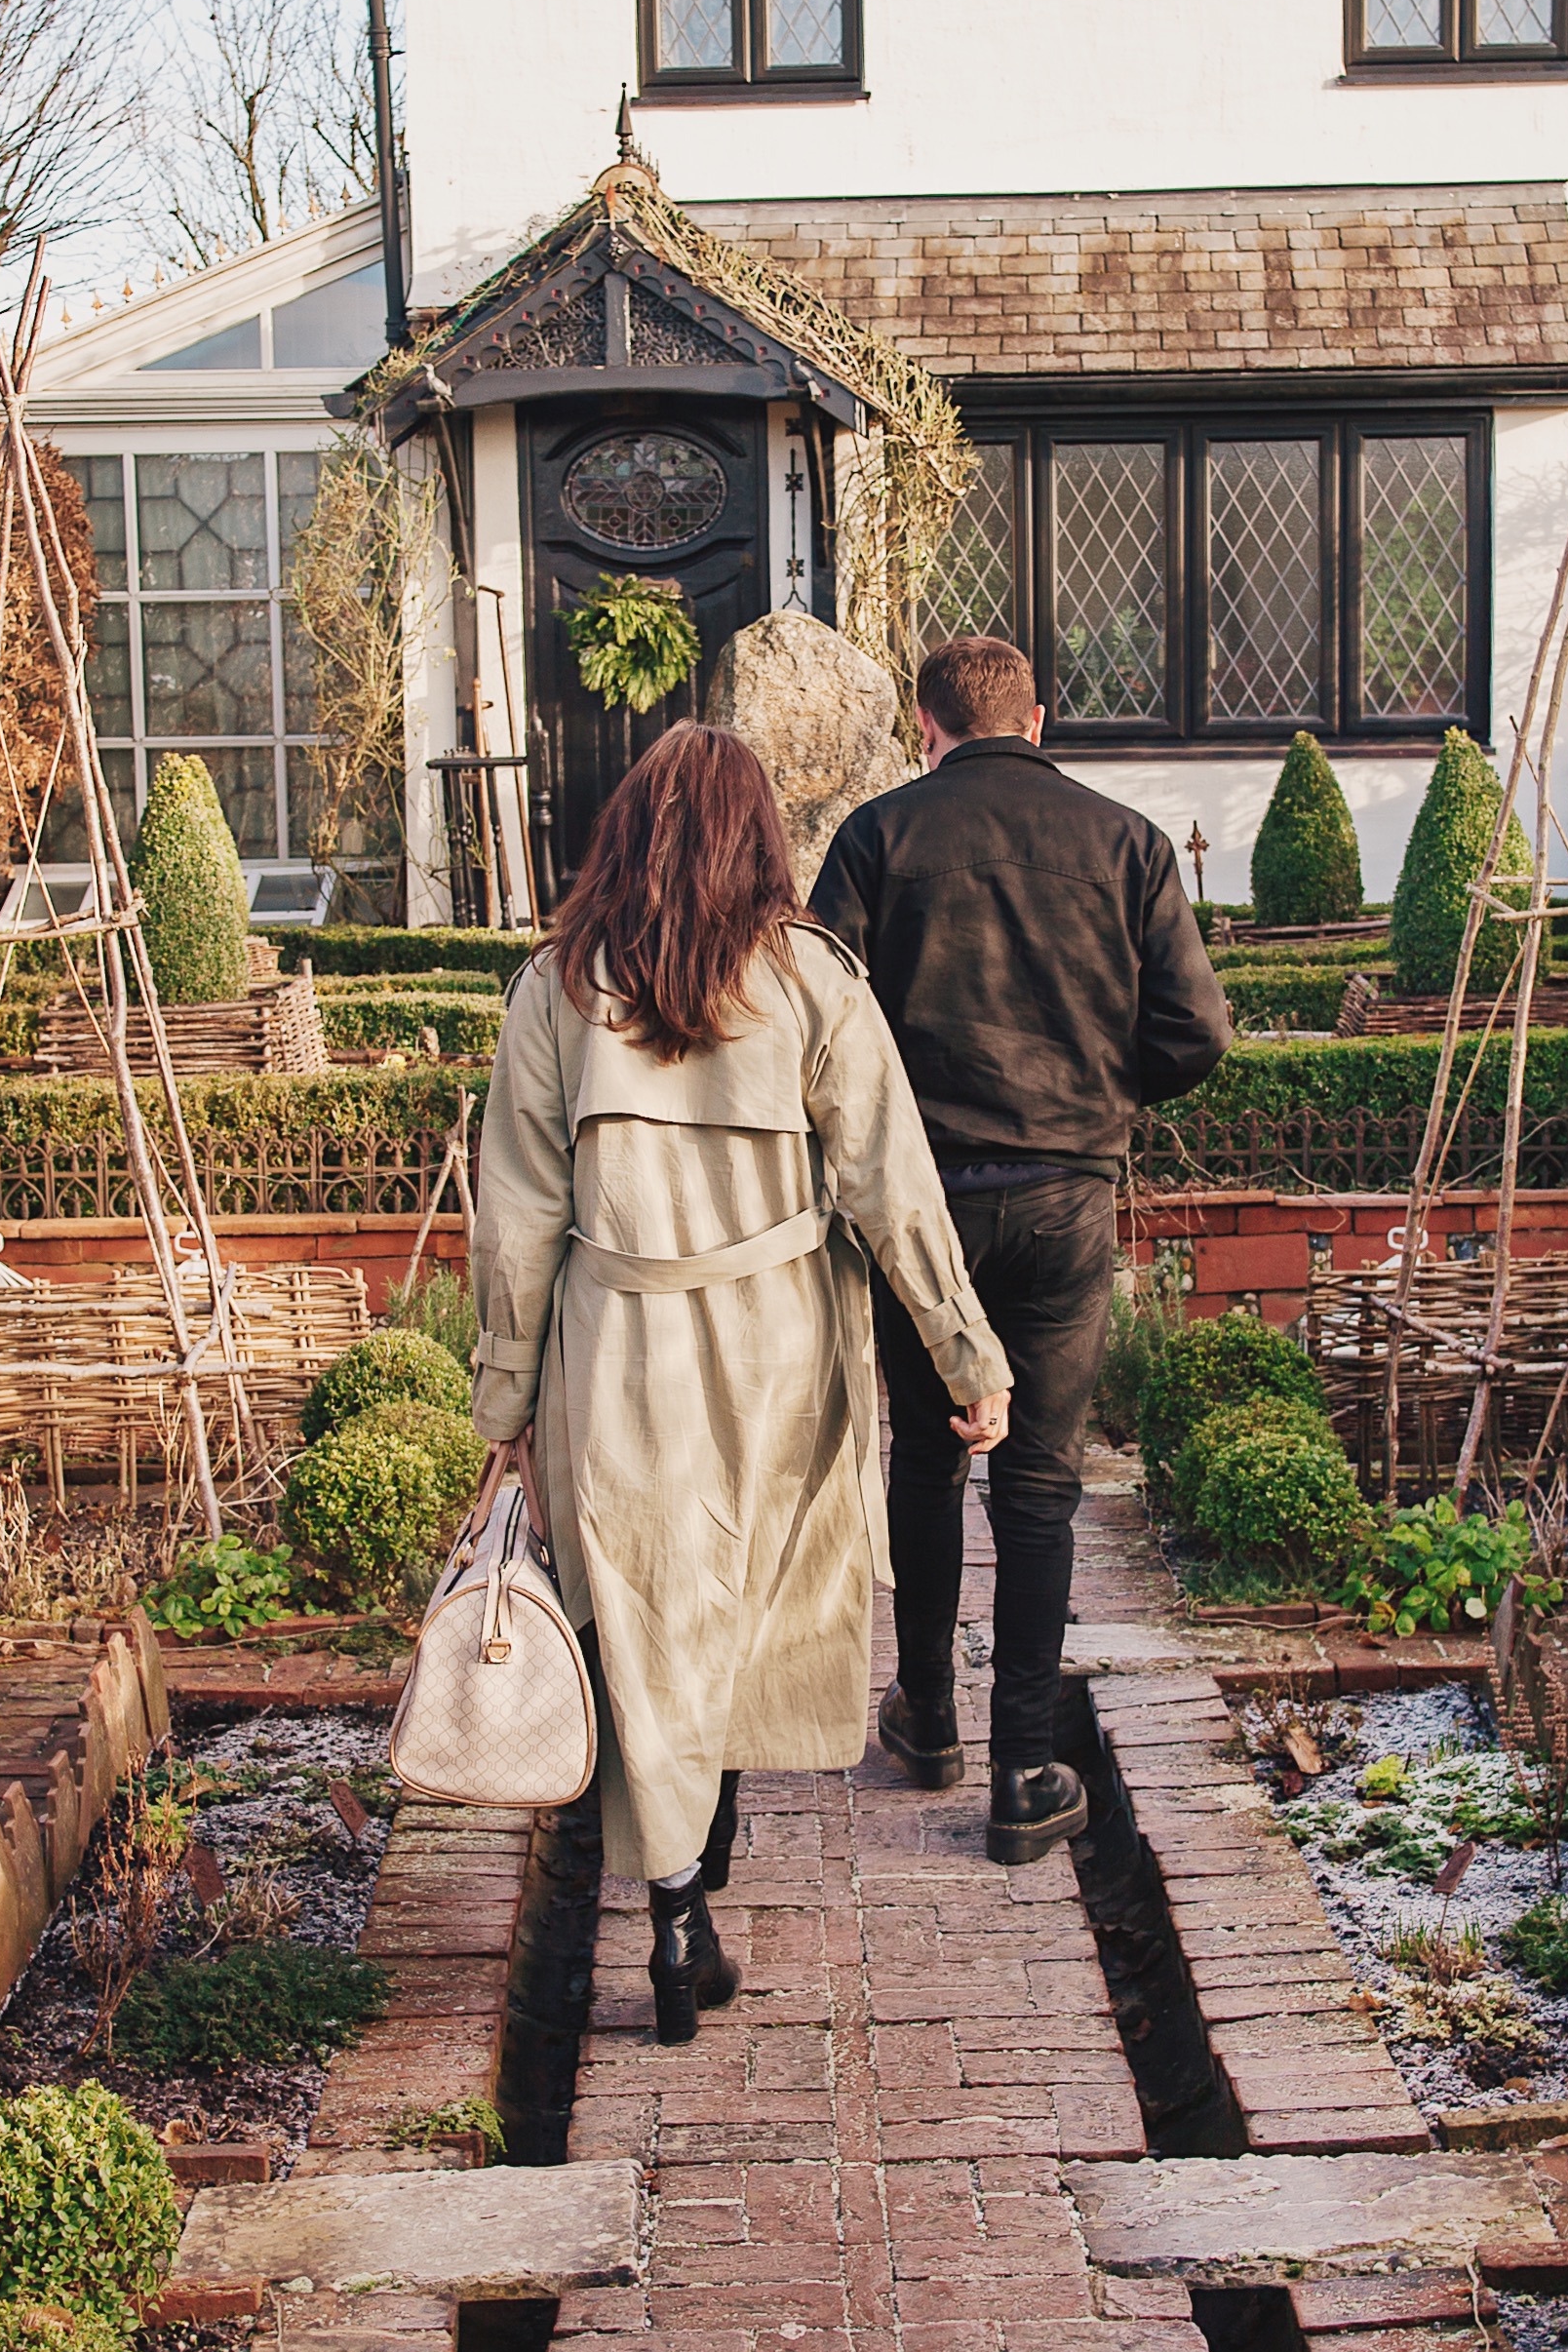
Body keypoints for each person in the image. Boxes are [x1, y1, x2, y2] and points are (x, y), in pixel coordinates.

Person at [469, 723, 1011, 2045]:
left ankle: (667, 1901)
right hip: (776, 1346)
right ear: (760, 837)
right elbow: (893, 1178)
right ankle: (690, 1869)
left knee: (647, 1602)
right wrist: (964, 1349)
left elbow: (518, 1215)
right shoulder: (811, 979)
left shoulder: (556, 986)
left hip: (619, 1339)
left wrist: (503, 1407)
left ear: (628, 834)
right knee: (746, 1581)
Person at [811, 634, 1234, 1862]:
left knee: (927, 1460)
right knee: (1040, 1484)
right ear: (1037, 717)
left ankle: (928, 1714)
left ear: (924, 723)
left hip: (915, 1204)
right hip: (1063, 1194)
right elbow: (1195, 1035)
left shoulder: (878, 838)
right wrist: (1105, 1092)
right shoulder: (1127, 842)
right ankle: (1023, 1768)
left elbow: (822, 1023)